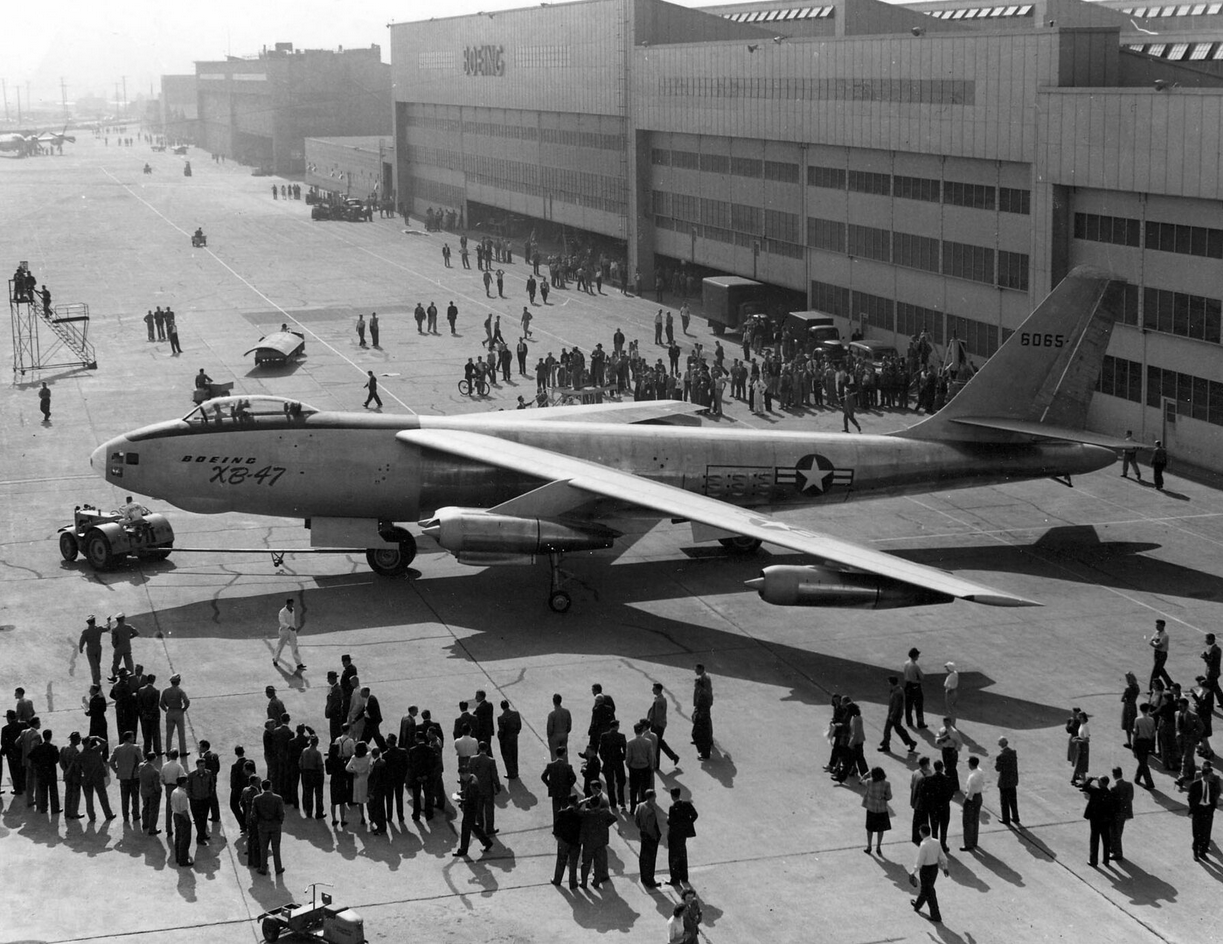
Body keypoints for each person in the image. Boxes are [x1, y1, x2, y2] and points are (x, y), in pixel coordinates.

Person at [578, 782, 616, 887]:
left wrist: (583, 801)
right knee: (598, 863)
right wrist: (604, 826)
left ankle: (584, 882)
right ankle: (596, 882)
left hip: (589, 841)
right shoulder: (604, 813)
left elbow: (576, 809)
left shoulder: (586, 813)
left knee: (586, 863)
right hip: (600, 840)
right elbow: (613, 818)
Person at [910, 823, 949, 923]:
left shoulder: (923, 845)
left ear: (922, 833)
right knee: (926, 888)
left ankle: (936, 916)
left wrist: (913, 872)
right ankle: (917, 905)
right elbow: (942, 855)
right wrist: (945, 867)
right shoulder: (936, 842)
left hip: (926, 870)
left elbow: (920, 861)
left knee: (929, 891)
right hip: (934, 869)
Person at [452, 770, 494, 857]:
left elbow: (472, 799)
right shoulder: (472, 777)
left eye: (462, 775)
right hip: (472, 808)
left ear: (465, 774)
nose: (462, 778)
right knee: (473, 826)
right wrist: (462, 793)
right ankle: (487, 842)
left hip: (470, 809)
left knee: (465, 829)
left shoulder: (472, 784)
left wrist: (460, 800)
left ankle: (463, 850)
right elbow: (469, 792)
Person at [252, 779, 286, 875]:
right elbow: (281, 813)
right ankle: (278, 868)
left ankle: (263, 868)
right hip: (275, 826)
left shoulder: (257, 799)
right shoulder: (278, 798)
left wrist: (259, 822)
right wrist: (279, 822)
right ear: (270, 786)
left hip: (263, 826)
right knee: (276, 848)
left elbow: (253, 814)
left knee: (263, 847)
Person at [1082, 775, 1116, 866]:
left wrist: (1091, 779)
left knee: (1094, 839)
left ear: (1100, 783)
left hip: (1095, 820)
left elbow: (1085, 786)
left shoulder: (1095, 791)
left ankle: (1093, 860)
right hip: (1105, 821)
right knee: (1106, 840)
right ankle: (1106, 860)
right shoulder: (1110, 794)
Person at [1189, 761, 1220, 860]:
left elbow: (1214, 796)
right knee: (1197, 832)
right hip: (1199, 810)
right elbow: (1190, 797)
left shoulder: (1212, 784)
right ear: (1204, 775)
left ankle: (1202, 852)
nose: (1211, 777)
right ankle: (1195, 851)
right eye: (1209, 775)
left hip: (1208, 810)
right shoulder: (1195, 784)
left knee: (1206, 832)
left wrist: (1211, 807)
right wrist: (1194, 808)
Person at [666, 786, 698, 886]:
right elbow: (695, 815)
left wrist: (668, 820)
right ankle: (684, 876)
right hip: (683, 834)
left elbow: (671, 822)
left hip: (674, 835)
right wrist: (687, 824)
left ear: (672, 796)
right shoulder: (687, 804)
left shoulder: (672, 808)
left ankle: (674, 879)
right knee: (682, 854)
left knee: (673, 857)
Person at [634, 788, 665, 887]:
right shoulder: (650, 810)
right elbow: (650, 827)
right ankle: (650, 880)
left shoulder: (640, 806)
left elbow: (636, 821)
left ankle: (644, 877)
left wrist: (641, 828)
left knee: (643, 857)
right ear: (653, 797)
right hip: (650, 836)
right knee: (651, 859)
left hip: (643, 834)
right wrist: (654, 837)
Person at [550, 794, 582, 887]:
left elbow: (556, 829)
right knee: (573, 863)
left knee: (561, 861)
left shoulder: (561, 813)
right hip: (575, 842)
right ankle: (573, 882)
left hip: (564, 842)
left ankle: (557, 880)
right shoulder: (580, 814)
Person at [879, 675, 917, 753]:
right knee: (897, 729)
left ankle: (886, 744)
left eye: (889, 682)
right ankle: (910, 742)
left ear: (891, 682)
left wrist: (892, 715)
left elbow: (897, 705)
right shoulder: (896, 690)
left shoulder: (897, 692)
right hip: (894, 714)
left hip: (895, 715)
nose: (888, 684)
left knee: (889, 730)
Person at [647, 682, 680, 769]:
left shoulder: (659, 701)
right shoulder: (660, 699)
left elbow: (658, 715)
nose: (652, 690)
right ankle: (673, 756)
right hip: (658, 724)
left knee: (657, 744)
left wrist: (653, 724)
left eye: (654, 688)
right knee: (659, 742)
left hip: (657, 725)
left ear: (658, 689)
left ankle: (657, 764)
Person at [862, 766, 892, 855]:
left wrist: (866, 774)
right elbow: (889, 797)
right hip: (882, 809)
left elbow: (861, 780)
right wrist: (884, 797)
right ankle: (878, 847)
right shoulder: (887, 784)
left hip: (871, 808)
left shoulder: (869, 782)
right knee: (880, 829)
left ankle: (869, 846)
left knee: (869, 829)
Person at [542, 746, 577, 820]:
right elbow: (574, 778)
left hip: (555, 791)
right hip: (565, 792)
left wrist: (549, 785)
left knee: (556, 812)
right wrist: (568, 785)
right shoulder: (567, 766)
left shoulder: (550, 765)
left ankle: (556, 829)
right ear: (564, 754)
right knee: (565, 811)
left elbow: (543, 777)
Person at [161, 674, 189, 756]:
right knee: (181, 733)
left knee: (169, 733)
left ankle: (168, 750)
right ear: (178, 682)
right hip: (178, 711)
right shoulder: (180, 691)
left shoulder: (166, 691)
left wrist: (166, 710)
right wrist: (184, 709)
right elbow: (186, 701)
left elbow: (161, 703)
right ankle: (183, 751)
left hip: (170, 711)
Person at [274, 598, 305, 672]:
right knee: (280, 646)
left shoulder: (293, 610)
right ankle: (275, 659)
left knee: (294, 647)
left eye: (292, 604)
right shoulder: (282, 612)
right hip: (284, 632)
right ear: (287, 604)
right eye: (291, 604)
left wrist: (292, 629)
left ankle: (299, 663)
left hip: (292, 632)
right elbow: (282, 622)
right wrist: (289, 627)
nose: (292, 605)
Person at [960, 756, 985, 851]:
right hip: (979, 796)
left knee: (967, 822)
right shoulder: (980, 771)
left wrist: (966, 800)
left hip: (972, 798)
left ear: (971, 764)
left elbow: (970, 791)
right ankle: (974, 841)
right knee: (975, 820)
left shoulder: (972, 777)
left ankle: (968, 844)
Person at [994, 736, 1020, 826]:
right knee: (1013, 800)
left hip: (1004, 782)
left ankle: (1006, 819)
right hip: (1012, 780)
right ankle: (1015, 817)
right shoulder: (1013, 753)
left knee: (1004, 801)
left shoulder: (1001, 756)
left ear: (1000, 744)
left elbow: (998, 768)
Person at [1109, 766, 1134, 860]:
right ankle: (1114, 849)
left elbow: (1112, 802)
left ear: (1114, 775)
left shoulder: (1114, 787)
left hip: (1116, 813)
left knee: (1115, 833)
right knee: (1119, 831)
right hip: (1125, 812)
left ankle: (1117, 852)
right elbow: (1130, 798)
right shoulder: (1129, 785)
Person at [1133, 702, 1157, 789]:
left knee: (1143, 763)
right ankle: (1137, 778)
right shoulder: (1152, 720)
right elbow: (1153, 732)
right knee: (1143, 760)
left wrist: (1133, 744)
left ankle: (1149, 782)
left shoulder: (1138, 719)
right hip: (1148, 742)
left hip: (1139, 741)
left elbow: (1136, 733)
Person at [692, 664, 713, 760]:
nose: (695, 671)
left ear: (701, 669)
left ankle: (705, 743)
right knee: (705, 724)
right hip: (701, 706)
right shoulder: (702, 678)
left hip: (703, 706)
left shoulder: (705, 678)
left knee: (704, 726)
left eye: (696, 669)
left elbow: (707, 692)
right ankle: (706, 741)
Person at [108, 612, 139, 680]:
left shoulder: (115, 629)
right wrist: (129, 637)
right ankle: (131, 677)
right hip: (127, 648)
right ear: (123, 619)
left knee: (116, 663)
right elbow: (136, 633)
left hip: (118, 648)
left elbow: (113, 641)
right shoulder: (128, 627)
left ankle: (115, 676)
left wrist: (116, 646)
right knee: (129, 663)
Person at [171, 776, 193, 867]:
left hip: (176, 815)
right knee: (185, 839)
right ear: (183, 783)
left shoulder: (174, 791)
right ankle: (183, 860)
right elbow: (184, 810)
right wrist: (188, 820)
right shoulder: (183, 794)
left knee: (178, 837)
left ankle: (178, 857)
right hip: (182, 817)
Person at [496, 699, 521, 779]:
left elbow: (501, 731)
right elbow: (519, 726)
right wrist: (515, 733)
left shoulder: (501, 718)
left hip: (506, 740)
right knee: (514, 754)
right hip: (514, 737)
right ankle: (516, 771)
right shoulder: (516, 714)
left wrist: (499, 737)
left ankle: (511, 772)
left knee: (507, 756)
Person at [903, 648, 926, 729]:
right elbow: (922, 677)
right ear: (915, 656)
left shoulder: (906, 663)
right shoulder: (915, 666)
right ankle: (920, 722)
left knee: (908, 705)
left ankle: (909, 722)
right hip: (915, 686)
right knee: (919, 705)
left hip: (907, 685)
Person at [79, 615, 105, 687]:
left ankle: (96, 682)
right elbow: (107, 628)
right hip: (98, 648)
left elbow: (82, 641)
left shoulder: (86, 632)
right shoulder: (99, 629)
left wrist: (80, 648)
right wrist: (108, 621)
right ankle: (97, 679)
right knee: (97, 664)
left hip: (90, 649)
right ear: (94, 621)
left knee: (93, 666)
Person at [1149, 619, 1172, 693]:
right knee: (1161, 670)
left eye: (1158, 625)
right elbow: (1150, 641)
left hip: (1162, 654)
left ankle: (1151, 688)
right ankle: (1170, 684)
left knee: (1156, 671)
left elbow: (1159, 645)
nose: (1156, 627)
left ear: (1162, 626)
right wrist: (1155, 644)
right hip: (1157, 653)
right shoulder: (1156, 633)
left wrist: (1154, 643)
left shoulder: (1165, 635)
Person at [546, 693, 571, 760]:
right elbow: (569, 726)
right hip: (564, 734)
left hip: (555, 736)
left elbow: (550, 729)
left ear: (553, 701)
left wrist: (549, 737)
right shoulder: (566, 712)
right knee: (564, 754)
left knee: (555, 755)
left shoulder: (552, 714)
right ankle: (565, 767)